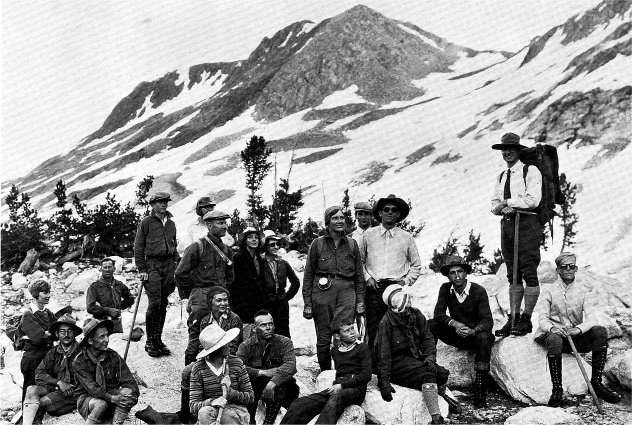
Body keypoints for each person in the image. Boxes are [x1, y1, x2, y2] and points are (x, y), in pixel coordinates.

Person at [535, 252, 621, 406]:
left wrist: (579, 330)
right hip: (551, 334)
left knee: (600, 331)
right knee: (554, 340)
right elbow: (542, 319)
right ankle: (557, 390)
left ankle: (596, 382)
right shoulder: (548, 290)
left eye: (572, 267)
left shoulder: (583, 291)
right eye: (564, 267)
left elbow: (592, 318)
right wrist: (553, 328)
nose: (568, 269)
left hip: (572, 335)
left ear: (576, 269)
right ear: (558, 271)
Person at [374, 285, 455, 425]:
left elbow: (428, 338)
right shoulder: (386, 323)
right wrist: (384, 381)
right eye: (406, 302)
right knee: (428, 376)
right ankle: (436, 418)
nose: (409, 302)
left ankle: (441, 397)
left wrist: (430, 357)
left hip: (414, 359)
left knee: (442, 373)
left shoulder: (416, 314)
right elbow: (384, 354)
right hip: (397, 365)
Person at [491, 133, 543, 337]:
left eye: (511, 148)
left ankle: (527, 319)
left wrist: (508, 203)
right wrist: (501, 208)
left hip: (527, 222)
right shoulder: (502, 176)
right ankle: (513, 318)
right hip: (508, 225)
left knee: (528, 269)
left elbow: (533, 200)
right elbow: (494, 204)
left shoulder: (530, 171)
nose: (507, 152)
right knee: (512, 272)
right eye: (504, 149)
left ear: (519, 150)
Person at [303, 206, 365, 371]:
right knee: (323, 339)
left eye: (342, 218)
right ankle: (325, 373)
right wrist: (308, 303)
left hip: (347, 294)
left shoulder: (352, 244)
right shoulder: (317, 244)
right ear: (327, 223)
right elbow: (308, 275)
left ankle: (344, 372)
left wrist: (360, 301)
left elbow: (359, 276)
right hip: (322, 295)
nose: (340, 221)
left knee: (344, 334)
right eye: (335, 218)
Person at [429, 256, 495, 408]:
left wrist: (473, 331)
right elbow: (438, 314)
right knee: (431, 325)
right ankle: (429, 368)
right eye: (452, 273)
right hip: (456, 333)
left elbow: (488, 321)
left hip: (474, 336)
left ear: (466, 273)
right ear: (448, 275)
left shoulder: (478, 290)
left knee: (485, 337)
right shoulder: (445, 289)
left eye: (460, 271)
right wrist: (455, 324)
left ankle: (480, 390)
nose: (457, 276)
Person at [280, 320, 371, 425]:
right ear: (337, 336)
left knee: (336, 397)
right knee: (300, 403)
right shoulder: (335, 351)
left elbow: (366, 375)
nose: (352, 332)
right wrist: (339, 385)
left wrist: (342, 386)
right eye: (347, 331)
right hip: (337, 387)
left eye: (352, 329)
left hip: (356, 388)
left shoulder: (362, 348)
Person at [361, 194, 421, 348]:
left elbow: (416, 265)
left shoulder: (406, 237)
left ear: (398, 214)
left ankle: (395, 368)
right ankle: (375, 368)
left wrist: (404, 282)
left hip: (396, 290)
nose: (389, 212)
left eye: (393, 210)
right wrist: (367, 278)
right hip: (374, 289)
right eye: (386, 209)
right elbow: (358, 262)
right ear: (380, 213)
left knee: (397, 329)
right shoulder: (368, 235)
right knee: (374, 329)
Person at [176, 209, 235, 365]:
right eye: (220, 223)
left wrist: (223, 292)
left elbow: (230, 276)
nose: (224, 226)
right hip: (201, 298)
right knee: (196, 339)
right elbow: (180, 273)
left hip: (220, 298)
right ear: (209, 225)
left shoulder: (227, 249)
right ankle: (189, 380)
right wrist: (194, 291)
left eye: (225, 223)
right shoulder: (197, 246)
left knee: (220, 338)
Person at [180, 286, 244, 423]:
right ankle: (187, 414)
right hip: (210, 356)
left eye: (225, 300)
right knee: (187, 372)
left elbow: (232, 346)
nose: (223, 303)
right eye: (219, 300)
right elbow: (202, 345)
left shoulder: (234, 319)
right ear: (210, 303)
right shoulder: (205, 320)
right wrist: (202, 363)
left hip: (228, 357)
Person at [134, 191, 179, 357]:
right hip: (152, 264)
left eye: (165, 202)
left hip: (168, 265)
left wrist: (177, 263)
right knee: (154, 302)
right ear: (152, 205)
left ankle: (158, 339)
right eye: (159, 202)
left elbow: (174, 244)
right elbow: (138, 247)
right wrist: (142, 269)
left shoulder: (171, 223)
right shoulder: (146, 222)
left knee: (163, 302)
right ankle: (150, 341)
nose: (163, 205)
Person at [72, 318, 139, 425]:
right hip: (88, 399)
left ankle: (116, 423)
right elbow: (93, 389)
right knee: (100, 404)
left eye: (107, 335)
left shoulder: (114, 356)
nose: (107, 340)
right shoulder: (79, 362)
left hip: (110, 395)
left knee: (128, 392)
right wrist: (113, 398)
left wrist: (129, 396)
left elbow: (130, 381)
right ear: (90, 340)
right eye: (102, 337)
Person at [237, 310, 299, 424]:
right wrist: (262, 372)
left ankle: (269, 421)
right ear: (254, 328)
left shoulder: (284, 342)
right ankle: (250, 420)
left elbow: (290, 366)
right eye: (263, 325)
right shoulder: (245, 346)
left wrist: (271, 384)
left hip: (280, 386)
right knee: (248, 385)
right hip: (256, 385)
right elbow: (238, 367)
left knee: (289, 387)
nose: (269, 327)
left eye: (270, 324)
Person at [22, 314, 82, 425]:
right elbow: (39, 374)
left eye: (70, 331)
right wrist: (58, 383)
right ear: (56, 334)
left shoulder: (82, 352)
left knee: (43, 402)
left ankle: (36, 421)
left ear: (75, 333)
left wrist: (68, 386)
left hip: (75, 393)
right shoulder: (53, 352)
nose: (66, 335)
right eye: (62, 331)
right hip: (59, 389)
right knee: (31, 389)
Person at [189, 324, 254, 425]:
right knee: (204, 412)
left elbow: (250, 397)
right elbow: (193, 406)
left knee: (227, 416)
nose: (230, 344)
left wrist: (231, 393)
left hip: (236, 413)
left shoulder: (237, 363)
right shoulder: (198, 369)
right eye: (225, 343)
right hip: (210, 413)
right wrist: (212, 402)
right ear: (217, 349)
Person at [19, 280, 56, 403]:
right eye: (45, 293)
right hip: (32, 359)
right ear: (35, 294)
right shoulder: (28, 314)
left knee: (44, 389)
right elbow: (39, 337)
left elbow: (56, 330)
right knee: (30, 390)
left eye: (49, 292)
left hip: (46, 357)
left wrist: (49, 333)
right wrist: (49, 333)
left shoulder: (47, 312)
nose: (49, 295)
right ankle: (27, 419)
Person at [261, 232, 301, 338]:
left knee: (284, 331)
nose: (276, 247)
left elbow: (295, 282)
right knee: (267, 331)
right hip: (266, 303)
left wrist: (286, 297)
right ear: (265, 246)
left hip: (282, 303)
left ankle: (286, 353)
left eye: (277, 244)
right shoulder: (260, 263)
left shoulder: (283, 263)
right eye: (272, 244)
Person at [86, 257, 135, 334]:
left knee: (116, 343)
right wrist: (108, 310)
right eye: (105, 267)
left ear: (114, 269)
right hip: (101, 323)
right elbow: (90, 308)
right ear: (101, 269)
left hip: (116, 323)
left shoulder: (119, 285)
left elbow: (130, 299)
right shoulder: (94, 287)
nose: (107, 269)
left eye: (110, 267)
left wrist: (119, 307)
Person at [231, 227, 267, 327]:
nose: (254, 240)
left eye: (256, 237)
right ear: (245, 241)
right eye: (250, 237)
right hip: (242, 302)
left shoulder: (259, 257)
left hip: (257, 301)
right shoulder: (238, 257)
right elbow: (233, 281)